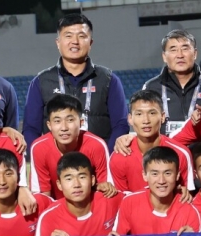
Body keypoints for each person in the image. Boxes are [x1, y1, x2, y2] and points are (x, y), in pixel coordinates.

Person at [23, 14, 129, 151]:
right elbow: (31, 129)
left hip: (97, 160)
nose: (75, 41)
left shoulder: (108, 80)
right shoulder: (41, 81)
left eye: (81, 36)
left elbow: (120, 124)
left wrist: (106, 157)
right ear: (58, 43)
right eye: (68, 36)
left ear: (90, 43)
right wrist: (40, 158)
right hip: (57, 161)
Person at [29, 94, 114, 199]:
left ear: (81, 122)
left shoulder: (97, 145)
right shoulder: (39, 148)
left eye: (70, 120)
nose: (64, 128)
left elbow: (107, 189)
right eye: (57, 121)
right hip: (55, 206)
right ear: (49, 125)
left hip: (90, 205)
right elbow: (43, 196)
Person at [110, 90, 193, 193]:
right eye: (139, 114)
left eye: (152, 113)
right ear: (130, 119)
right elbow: (120, 199)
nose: (146, 121)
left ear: (162, 117)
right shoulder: (119, 157)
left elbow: (187, 196)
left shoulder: (181, 154)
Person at [142, 29, 201, 136]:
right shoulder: (151, 87)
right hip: (165, 146)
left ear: (195, 53)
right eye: (173, 50)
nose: (180, 55)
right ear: (164, 56)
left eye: (185, 49)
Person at [112, 147, 201, 236]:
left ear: (177, 175)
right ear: (144, 175)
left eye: (167, 173)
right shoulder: (129, 202)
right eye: (155, 174)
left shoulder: (190, 211)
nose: (161, 181)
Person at [36, 152, 123, 236]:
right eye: (69, 179)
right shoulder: (48, 219)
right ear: (59, 184)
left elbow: (131, 202)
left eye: (82, 177)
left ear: (92, 180)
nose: (76, 185)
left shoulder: (110, 198)